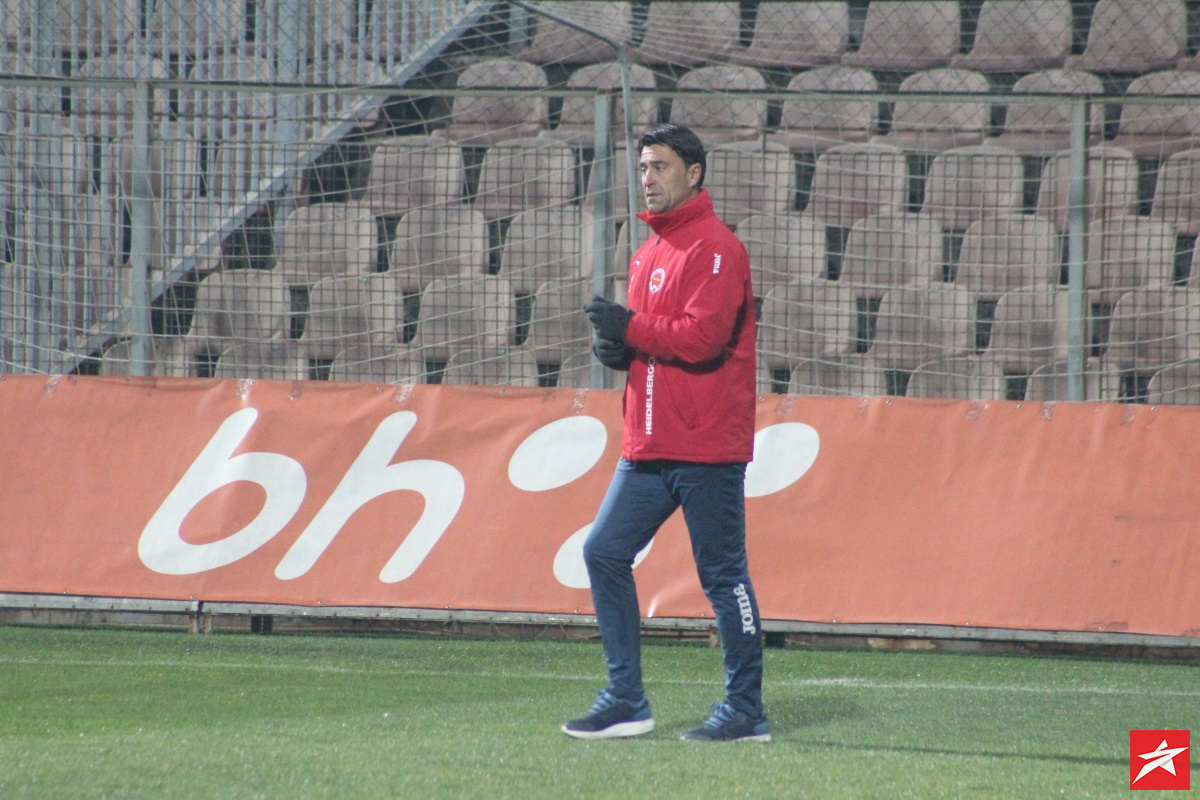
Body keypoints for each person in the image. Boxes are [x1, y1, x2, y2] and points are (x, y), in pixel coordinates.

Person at [562, 124, 767, 743]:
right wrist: (618, 350)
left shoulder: (718, 248)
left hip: (706, 446)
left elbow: (702, 339)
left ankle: (746, 711)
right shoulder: (647, 251)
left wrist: (630, 329)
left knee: (723, 578)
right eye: (644, 167)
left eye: (661, 167)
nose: (647, 179)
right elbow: (656, 338)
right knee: (603, 551)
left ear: (694, 173)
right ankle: (626, 699)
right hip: (648, 445)